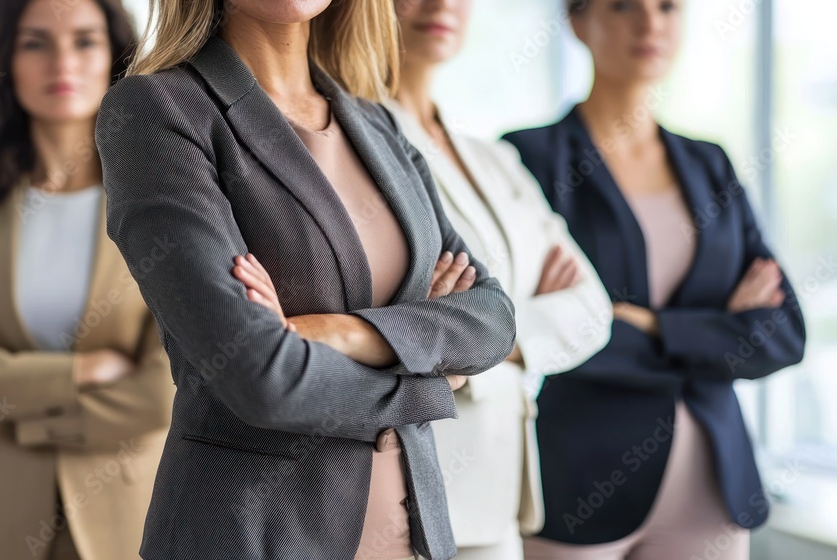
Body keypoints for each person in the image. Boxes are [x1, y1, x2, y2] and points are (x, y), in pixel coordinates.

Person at [94, 0, 517, 558]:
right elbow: (262, 378)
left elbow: (493, 317)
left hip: (412, 538)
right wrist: (434, 379)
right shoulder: (155, 110)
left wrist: (337, 332)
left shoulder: (376, 122)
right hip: (254, 536)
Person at [502, 1, 807, 558]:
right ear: (577, 22)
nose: (650, 24)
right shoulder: (529, 158)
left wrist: (650, 326)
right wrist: (718, 329)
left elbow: (783, 333)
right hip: (580, 487)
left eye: (667, 6)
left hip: (712, 493)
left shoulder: (709, 163)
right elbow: (539, 332)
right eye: (623, 6)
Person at [0, 1, 174, 558]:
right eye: (34, 42)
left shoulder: (164, 204)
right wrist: (84, 370)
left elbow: (163, 394)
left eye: (85, 41)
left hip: (129, 523)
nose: (62, 62)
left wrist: (3, 411)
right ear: (3, 61)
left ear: (116, 59)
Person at [384, 1, 613, 558]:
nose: (441, 6)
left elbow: (592, 310)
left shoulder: (495, 159)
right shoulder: (353, 142)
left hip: (501, 497)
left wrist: (473, 329)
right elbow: (393, 315)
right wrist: (524, 313)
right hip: (413, 486)